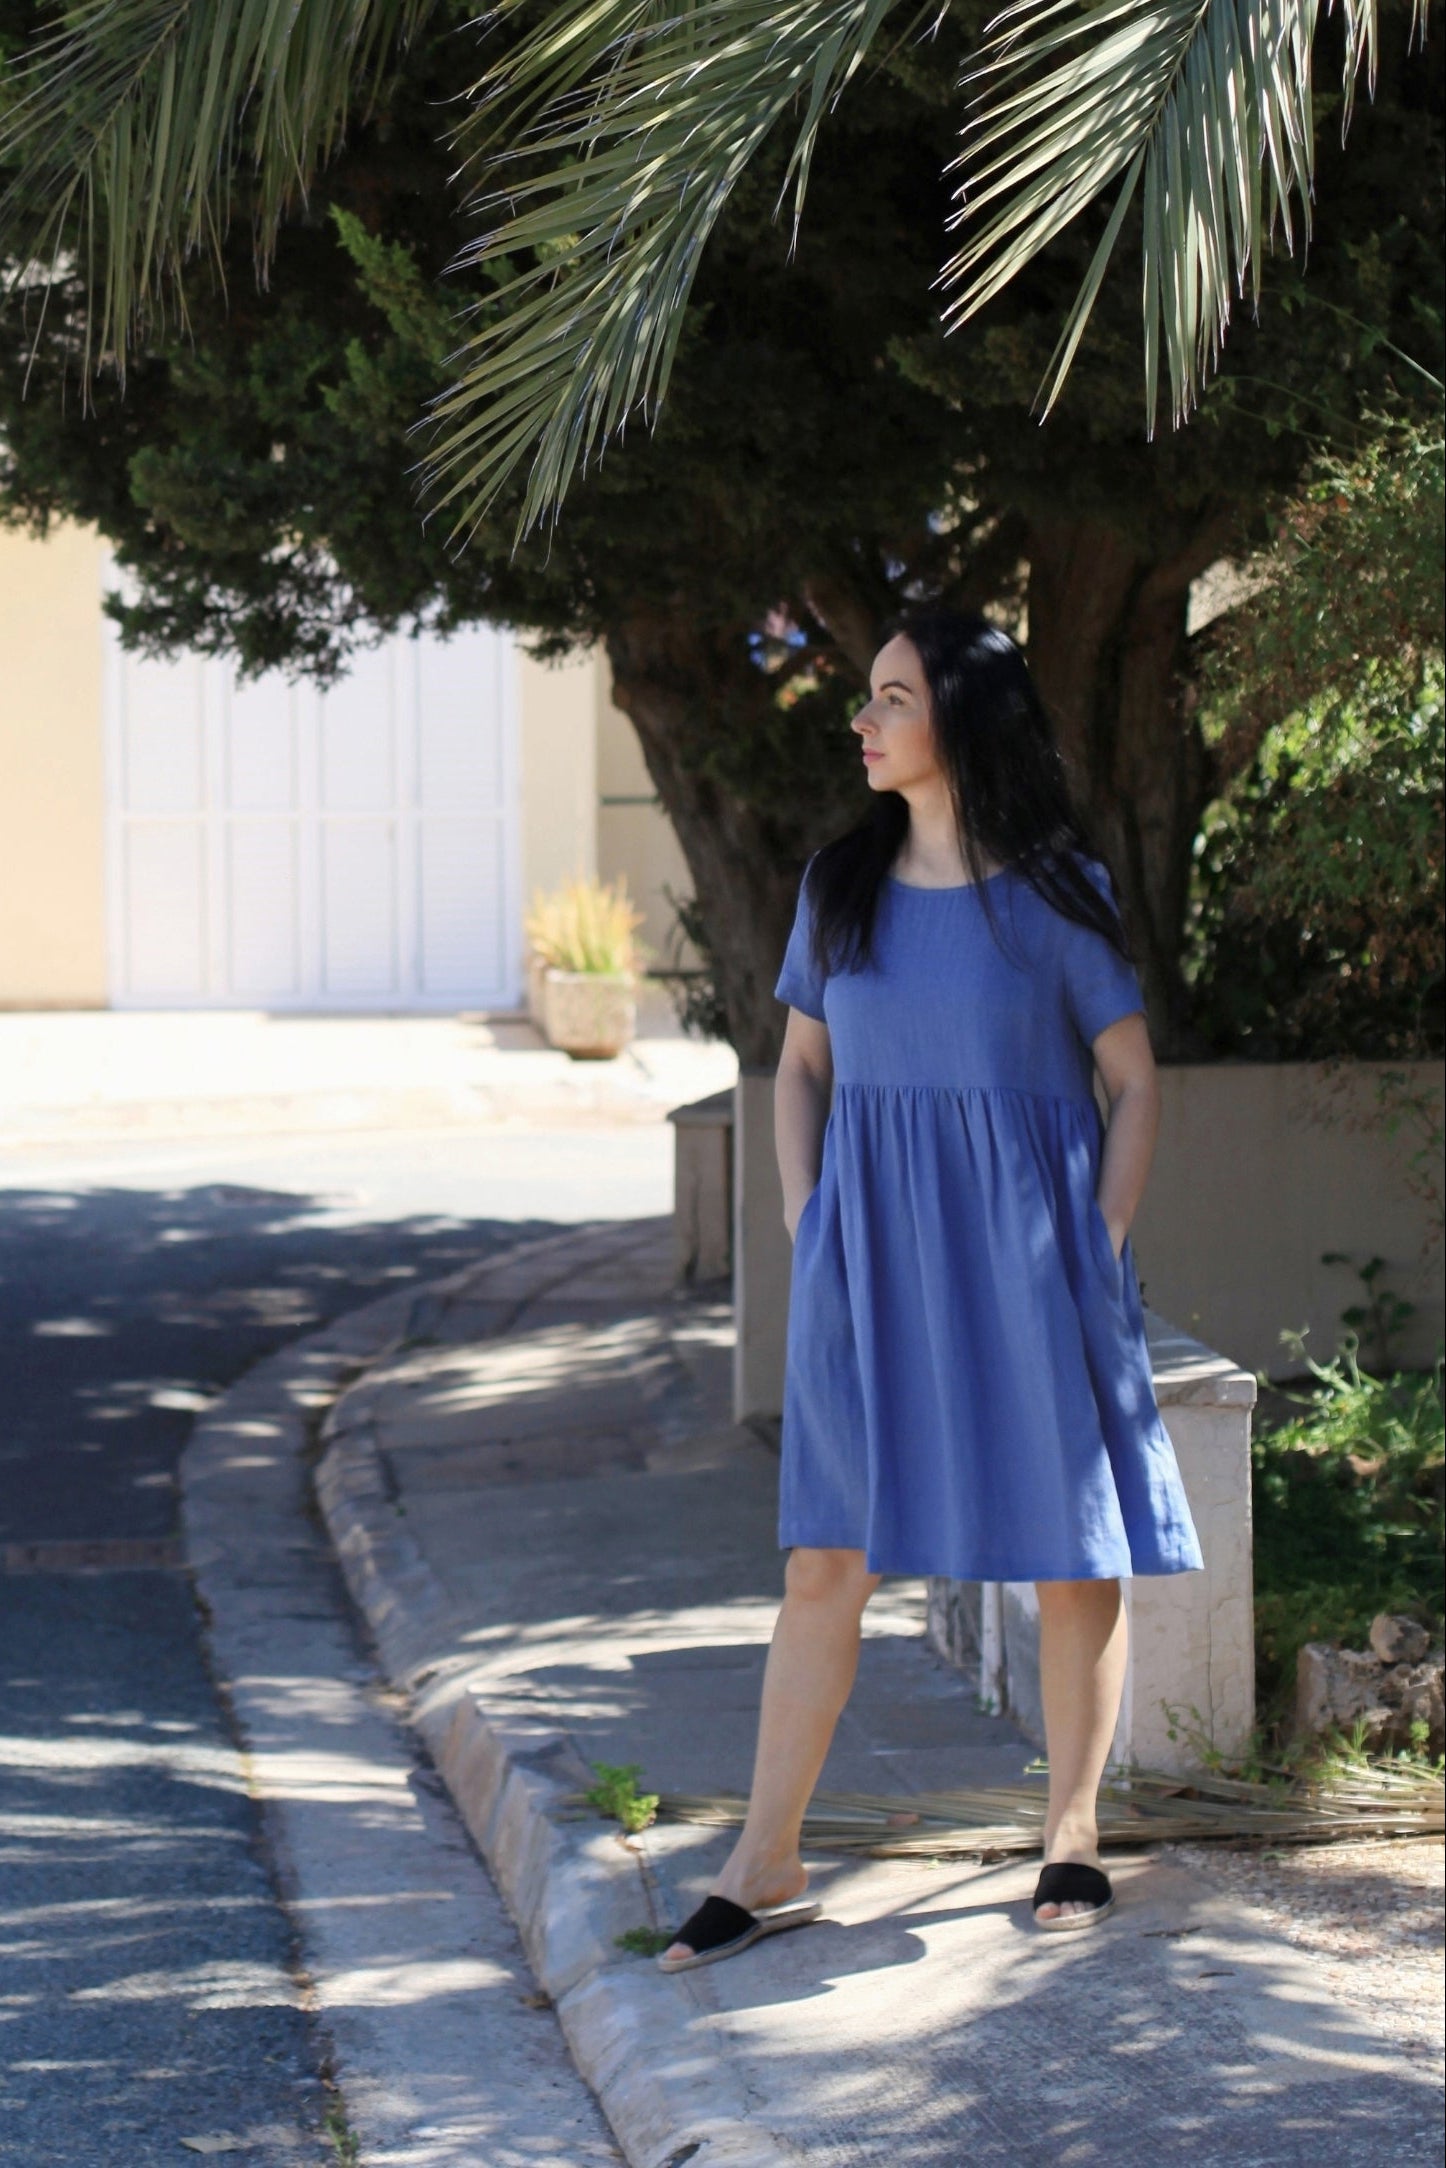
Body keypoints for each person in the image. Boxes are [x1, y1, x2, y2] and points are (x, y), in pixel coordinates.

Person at [659, 609, 1203, 1973]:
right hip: (871, 1257)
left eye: (890, 697)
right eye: (866, 697)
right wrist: (803, 1210)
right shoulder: (837, 884)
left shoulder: (1057, 891)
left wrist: (1100, 1232)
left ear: (957, 719)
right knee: (823, 1554)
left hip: (1035, 1257)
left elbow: (1132, 1080)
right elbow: (797, 1066)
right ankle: (764, 1859)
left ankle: (1069, 1834)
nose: (863, 719)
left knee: (1068, 1552)